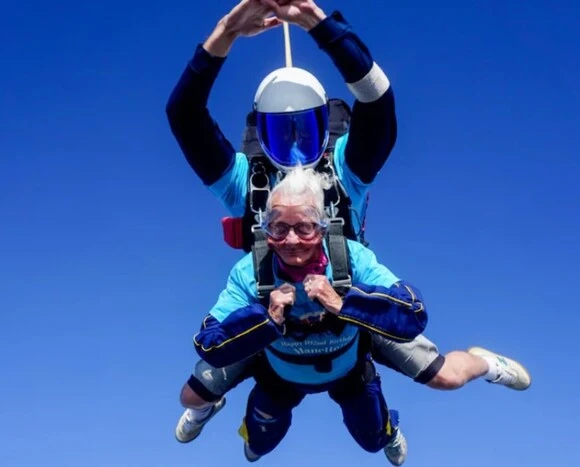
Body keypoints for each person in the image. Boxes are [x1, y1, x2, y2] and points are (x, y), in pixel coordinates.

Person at [166, 0, 531, 450]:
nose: (295, 147)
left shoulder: (343, 175)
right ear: (261, 133)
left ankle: (481, 363)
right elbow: (185, 116)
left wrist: (319, 24)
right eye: (281, 133)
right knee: (240, 432)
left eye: (306, 131)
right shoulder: (248, 182)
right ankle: (208, 406)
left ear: (325, 129)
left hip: (351, 323)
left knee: (443, 381)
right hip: (272, 325)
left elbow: (378, 104)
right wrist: (225, 32)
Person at [193, 166, 426, 464]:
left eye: (304, 227)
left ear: (323, 228)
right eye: (278, 228)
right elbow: (207, 343)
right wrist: (266, 318)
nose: (291, 240)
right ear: (265, 231)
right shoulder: (251, 270)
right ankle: (208, 410)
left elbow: (414, 312)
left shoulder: (350, 257)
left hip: (348, 368)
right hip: (280, 372)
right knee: (255, 446)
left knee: (375, 437)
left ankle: (391, 430)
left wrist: (345, 304)